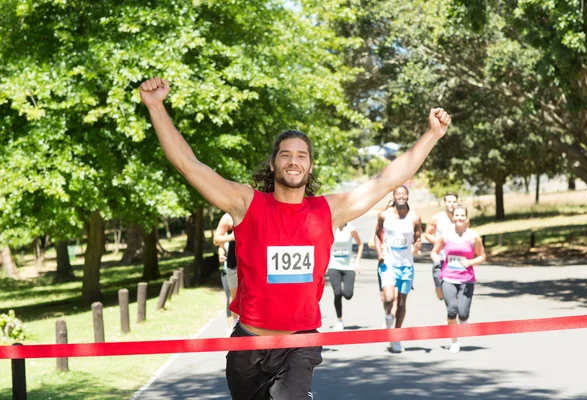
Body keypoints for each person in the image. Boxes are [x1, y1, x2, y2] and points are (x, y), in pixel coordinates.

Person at [139, 76, 450, 399]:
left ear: (310, 166)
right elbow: (188, 165)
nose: (293, 161)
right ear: (273, 163)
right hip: (248, 346)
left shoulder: (329, 210)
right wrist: (156, 106)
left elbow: (386, 180)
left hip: (298, 344)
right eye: (286, 155)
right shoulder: (246, 204)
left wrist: (432, 135)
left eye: (302, 156)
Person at [430, 205, 486, 354]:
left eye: (462, 215)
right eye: (457, 215)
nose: (459, 218)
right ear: (453, 218)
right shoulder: (446, 235)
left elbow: (482, 256)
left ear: (466, 218)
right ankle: (454, 341)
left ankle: (462, 320)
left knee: (463, 314)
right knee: (452, 309)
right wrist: (436, 257)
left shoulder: (474, 236)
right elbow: (434, 252)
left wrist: (470, 262)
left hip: (467, 279)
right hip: (448, 277)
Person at [374, 185, 422, 353]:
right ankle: (388, 316)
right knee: (388, 298)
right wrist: (380, 253)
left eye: (403, 193)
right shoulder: (384, 215)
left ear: (407, 196)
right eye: (398, 194)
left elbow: (418, 238)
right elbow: (377, 234)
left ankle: (396, 337)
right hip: (388, 262)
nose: (401, 196)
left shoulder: (415, 217)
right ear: (394, 196)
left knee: (401, 302)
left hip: (406, 265)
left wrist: (417, 246)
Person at [328, 222, 363, 331]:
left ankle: (345, 291)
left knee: (348, 294)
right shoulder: (331, 228)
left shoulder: (351, 229)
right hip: (334, 265)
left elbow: (360, 244)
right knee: (337, 292)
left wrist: (357, 261)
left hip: (349, 266)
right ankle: (339, 320)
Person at [423, 192, 458, 300]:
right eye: (449, 201)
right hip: (440, 257)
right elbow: (427, 234)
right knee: (440, 292)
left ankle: (452, 308)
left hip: (455, 259)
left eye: (454, 201)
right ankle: (439, 289)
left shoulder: (461, 218)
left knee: (453, 290)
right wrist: (438, 243)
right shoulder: (437, 218)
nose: (452, 204)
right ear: (444, 203)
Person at [213, 212, 239, 330]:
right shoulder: (228, 217)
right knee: (234, 295)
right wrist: (233, 237)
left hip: (254, 262)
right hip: (233, 264)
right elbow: (217, 240)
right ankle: (234, 325)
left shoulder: (257, 209)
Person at [218, 244, 234, 335]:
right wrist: (221, 254)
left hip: (243, 270)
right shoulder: (226, 233)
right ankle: (231, 328)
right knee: (230, 298)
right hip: (227, 271)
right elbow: (221, 246)